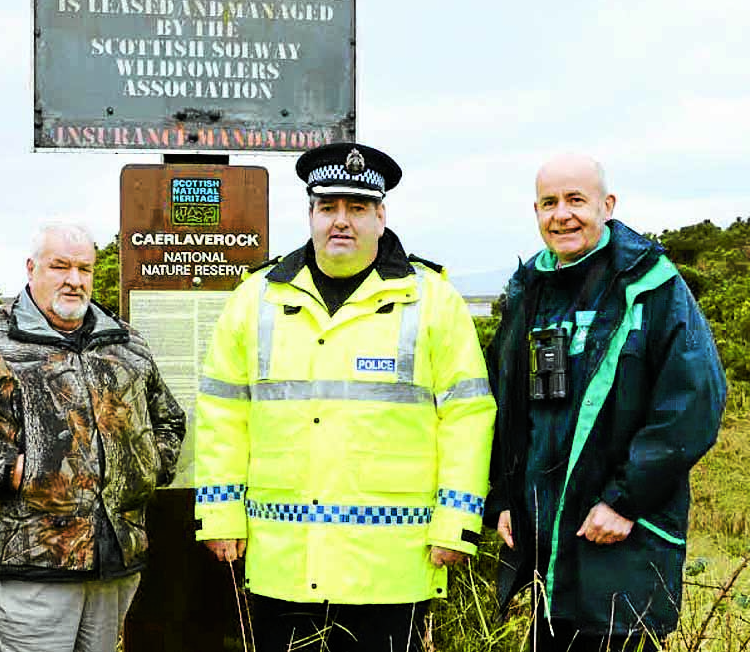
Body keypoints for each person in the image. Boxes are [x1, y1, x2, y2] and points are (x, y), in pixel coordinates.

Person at [193, 143, 496, 651]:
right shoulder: (255, 299)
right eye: (328, 207)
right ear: (309, 214)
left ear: (381, 215)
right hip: (281, 559)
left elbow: (467, 416)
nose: (341, 221)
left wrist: (458, 522)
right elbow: (223, 414)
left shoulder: (433, 300)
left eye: (357, 208)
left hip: (392, 565)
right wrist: (220, 515)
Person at [484, 153, 727, 651]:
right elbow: (506, 406)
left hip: (618, 539)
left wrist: (625, 501)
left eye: (577, 200)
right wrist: (505, 497)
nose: (562, 214)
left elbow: (693, 402)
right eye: (549, 203)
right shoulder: (528, 288)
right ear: (535, 211)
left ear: (607, 205)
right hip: (545, 545)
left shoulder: (654, 287)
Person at [0, 220, 186, 652]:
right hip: (30, 565)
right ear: (32, 268)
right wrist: (8, 471)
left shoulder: (124, 342)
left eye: (84, 269)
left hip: (114, 564)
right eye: (60, 266)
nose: (74, 280)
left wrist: (144, 467)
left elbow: (169, 419)